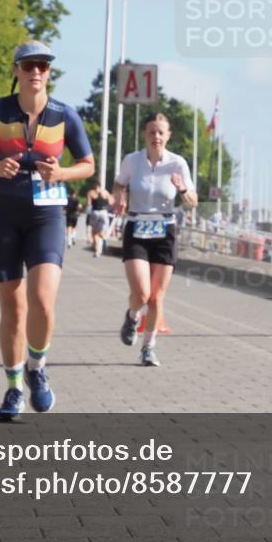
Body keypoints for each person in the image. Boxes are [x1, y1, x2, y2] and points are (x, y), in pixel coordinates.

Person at [0, 40, 94, 419]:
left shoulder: (64, 115)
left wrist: (63, 172)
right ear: (16, 70)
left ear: (49, 73)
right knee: (13, 309)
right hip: (2, 214)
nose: (37, 72)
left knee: (42, 300)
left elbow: (87, 164)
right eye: (29, 65)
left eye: (44, 66)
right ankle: (13, 388)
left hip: (47, 214)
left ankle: (37, 368)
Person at [113, 113, 198, 367]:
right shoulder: (132, 161)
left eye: (161, 132)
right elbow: (118, 185)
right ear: (145, 135)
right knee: (141, 293)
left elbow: (192, 201)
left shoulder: (177, 163)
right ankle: (131, 316)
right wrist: (120, 197)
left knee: (156, 297)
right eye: (152, 132)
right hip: (137, 226)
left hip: (165, 229)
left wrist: (182, 188)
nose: (156, 137)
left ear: (168, 135)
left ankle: (148, 347)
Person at [86, 180, 113, 258]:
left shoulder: (91, 192)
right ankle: (103, 240)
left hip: (95, 213)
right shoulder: (105, 192)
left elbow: (89, 204)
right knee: (101, 232)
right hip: (104, 213)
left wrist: (88, 215)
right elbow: (111, 202)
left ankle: (98, 251)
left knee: (95, 233)